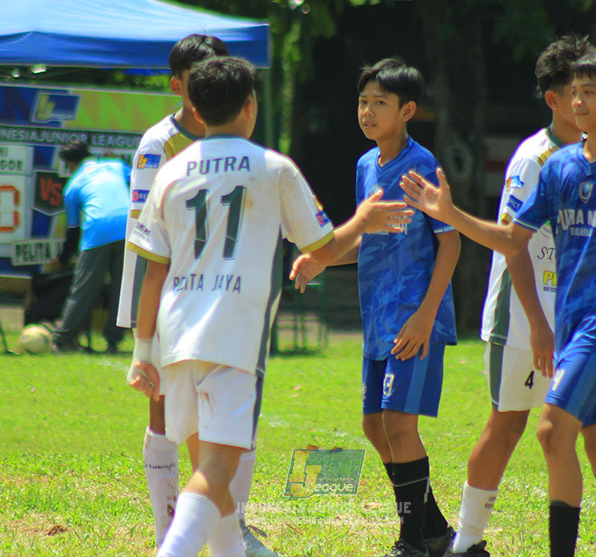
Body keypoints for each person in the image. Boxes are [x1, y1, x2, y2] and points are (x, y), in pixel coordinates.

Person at [400, 50, 596, 557]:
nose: (579, 100)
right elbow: (511, 239)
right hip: (565, 328)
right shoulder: (557, 167)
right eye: (575, 91)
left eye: (590, 92)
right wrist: (450, 214)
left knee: (550, 429)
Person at [126, 55, 412, 557]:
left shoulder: (172, 172)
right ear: (250, 106)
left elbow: (152, 269)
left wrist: (140, 350)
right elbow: (321, 249)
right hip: (232, 334)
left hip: (175, 332)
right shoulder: (272, 168)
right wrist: (363, 219)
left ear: (194, 105)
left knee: (208, 476)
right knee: (217, 475)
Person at [115, 34, 282, 555]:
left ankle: (234, 526)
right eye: (196, 79)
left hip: (226, 297)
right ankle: (171, 529)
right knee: (164, 414)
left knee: (235, 415)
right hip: (169, 293)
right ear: (177, 85)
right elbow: (146, 239)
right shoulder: (158, 145)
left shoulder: (243, 143)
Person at [292, 57, 460, 557]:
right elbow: (365, 237)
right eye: (362, 102)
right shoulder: (367, 165)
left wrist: (427, 314)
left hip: (414, 318)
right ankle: (435, 531)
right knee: (374, 425)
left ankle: (410, 542)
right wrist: (322, 260)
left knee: (398, 425)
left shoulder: (423, 164)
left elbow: (449, 244)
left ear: (407, 110)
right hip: (378, 319)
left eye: (379, 103)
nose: (367, 111)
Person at [50, 140, 131, 352]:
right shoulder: (117, 165)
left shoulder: (72, 186)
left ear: (69, 164)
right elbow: (143, 185)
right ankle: (113, 341)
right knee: (122, 290)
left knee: (84, 289)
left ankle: (63, 340)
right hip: (130, 228)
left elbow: (73, 230)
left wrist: (63, 259)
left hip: (97, 232)